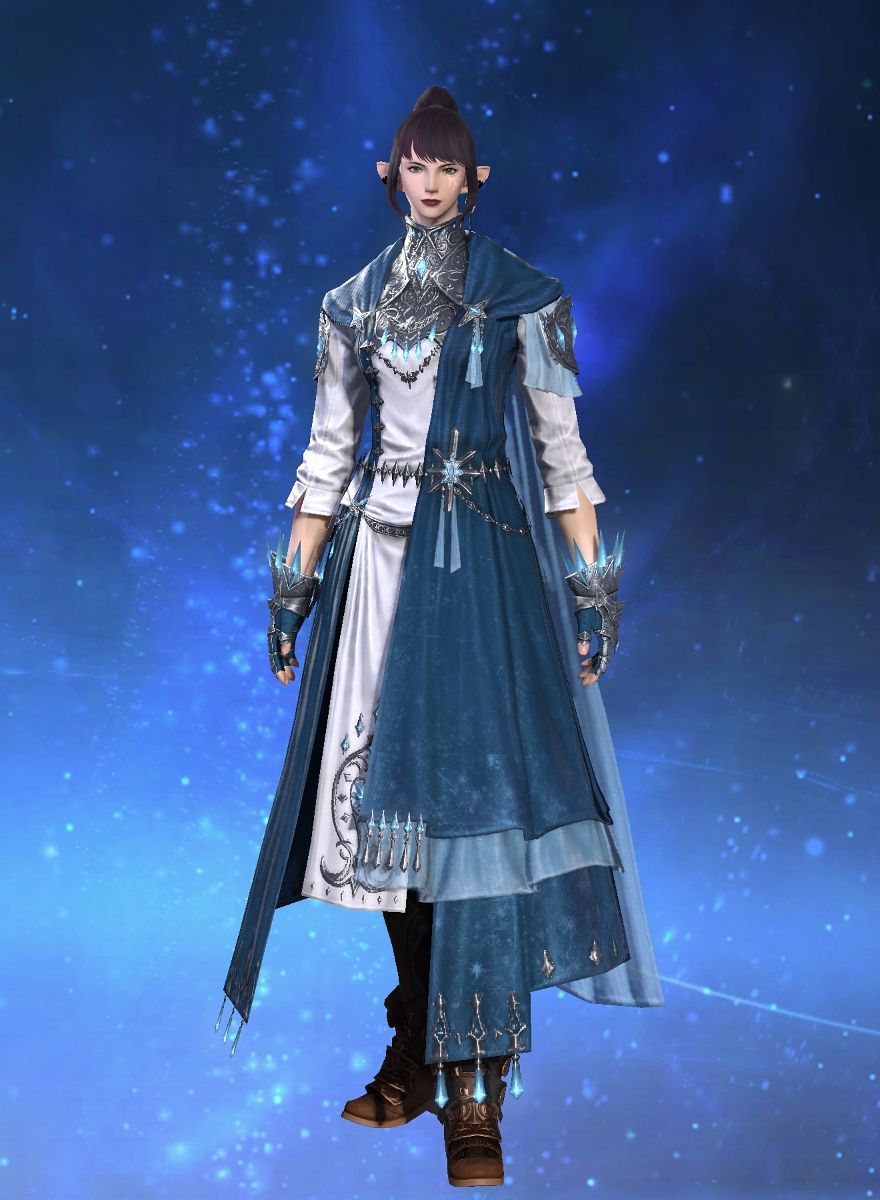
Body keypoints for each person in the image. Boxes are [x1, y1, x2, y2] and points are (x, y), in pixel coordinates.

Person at [216, 86, 664, 1189]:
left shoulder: (522, 296)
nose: (429, 182)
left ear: (474, 180)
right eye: (414, 165)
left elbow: (563, 459)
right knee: (392, 831)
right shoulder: (350, 306)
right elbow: (328, 456)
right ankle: (419, 1049)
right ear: (391, 175)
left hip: (480, 584)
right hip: (375, 576)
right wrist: (293, 590)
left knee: (477, 824)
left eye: (447, 166)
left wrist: (592, 591)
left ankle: (476, 1094)